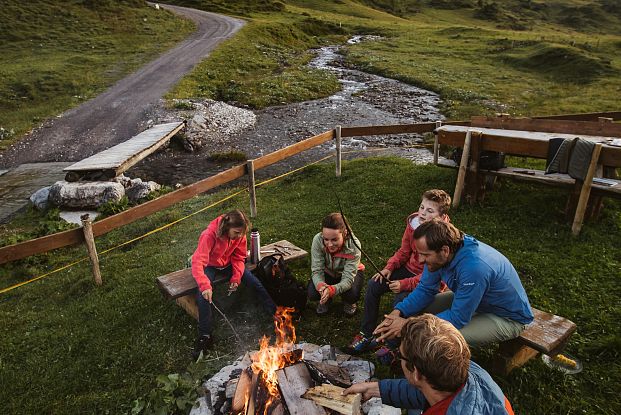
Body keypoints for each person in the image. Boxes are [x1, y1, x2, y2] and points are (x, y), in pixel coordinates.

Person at [374, 219, 533, 348]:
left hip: (506, 317)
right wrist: (399, 312)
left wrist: (407, 325)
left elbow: (458, 318)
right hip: (476, 302)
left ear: (444, 250)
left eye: (424, 255)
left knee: (434, 337)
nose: (421, 260)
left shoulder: (474, 267)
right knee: (415, 313)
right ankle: (403, 354)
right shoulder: (440, 255)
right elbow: (425, 289)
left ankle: (432, 377)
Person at [347, 189, 451, 356]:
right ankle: (366, 333)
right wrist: (390, 267)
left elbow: (434, 277)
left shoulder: (442, 236)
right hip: (408, 270)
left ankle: (391, 345)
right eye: (422, 207)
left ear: (441, 216)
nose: (423, 213)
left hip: (426, 280)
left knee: (401, 300)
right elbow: (404, 251)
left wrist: (404, 284)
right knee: (375, 284)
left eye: (430, 211)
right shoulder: (413, 224)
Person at [343, 314, 515, 415]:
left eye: (400, 355)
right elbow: (424, 391)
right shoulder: (469, 373)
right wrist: (375, 389)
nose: (398, 357)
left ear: (416, 373)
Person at [191, 209, 276, 358]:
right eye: (236, 233)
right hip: (210, 265)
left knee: (255, 283)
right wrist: (205, 286)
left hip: (229, 263)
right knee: (202, 296)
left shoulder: (239, 236)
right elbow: (198, 262)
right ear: (227, 228)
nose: (239, 236)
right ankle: (205, 335)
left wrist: (236, 278)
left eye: (241, 233)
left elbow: (239, 257)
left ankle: (276, 314)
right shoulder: (209, 235)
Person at [309, 212, 365, 316]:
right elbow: (317, 270)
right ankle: (325, 300)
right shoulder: (317, 239)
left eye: (334, 239)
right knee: (313, 293)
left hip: (348, 273)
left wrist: (332, 290)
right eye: (326, 239)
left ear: (345, 233)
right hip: (328, 272)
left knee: (352, 295)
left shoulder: (354, 244)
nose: (329, 244)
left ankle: (349, 302)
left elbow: (348, 278)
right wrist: (321, 286)